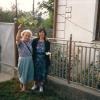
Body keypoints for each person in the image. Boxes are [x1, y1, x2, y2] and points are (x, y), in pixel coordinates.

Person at [31, 28, 51, 92]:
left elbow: (48, 51)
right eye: (40, 32)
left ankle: (41, 86)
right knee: (35, 72)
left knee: (43, 72)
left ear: (45, 34)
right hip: (36, 59)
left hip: (44, 59)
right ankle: (35, 84)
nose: (42, 33)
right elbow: (32, 49)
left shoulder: (47, 42)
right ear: (38, 33)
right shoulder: (34, 40)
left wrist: (49, 55)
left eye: (43, 32)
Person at [16, 25, 34, 92]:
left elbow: (37, 39)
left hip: (29, 59)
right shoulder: (20, 42)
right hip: (23, 59)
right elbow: (17, 38)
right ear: (22, 35)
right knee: (22, 72)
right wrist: (19, 30)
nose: (27, 37)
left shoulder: (30, 42)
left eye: (29, 36)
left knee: (26, 73)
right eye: (26, 35)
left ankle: (23, 87)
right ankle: (22, 86)